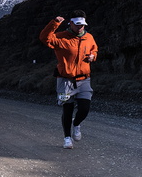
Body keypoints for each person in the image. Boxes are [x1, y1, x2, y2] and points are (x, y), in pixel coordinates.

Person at [39, 10, 98, 149]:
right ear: (70, 23)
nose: (80, 27)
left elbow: (94, 50)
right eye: (77, 25)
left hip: (84, 79)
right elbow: (44, 38)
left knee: (84, 108)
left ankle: (76, 124)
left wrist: (93, 56)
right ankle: (67, 138)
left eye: (82, 25)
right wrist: (55, 23)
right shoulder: (60, 38)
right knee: (67, 109)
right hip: (65, 80)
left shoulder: (89, 37)